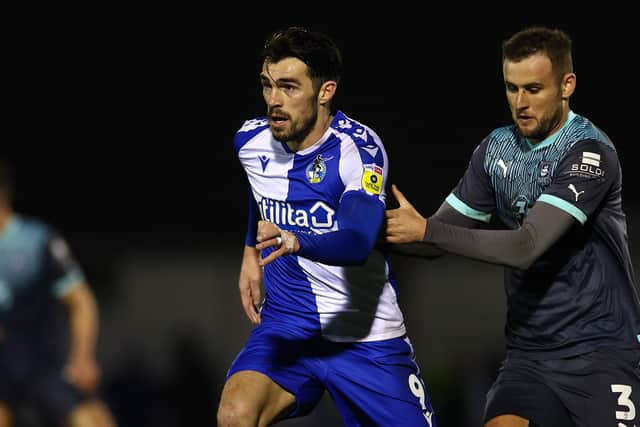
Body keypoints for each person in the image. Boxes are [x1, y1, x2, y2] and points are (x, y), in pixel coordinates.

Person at [384, 25, 640, 427]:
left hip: (601, 352)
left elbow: (527, 245)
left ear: (566, 85)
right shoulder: (495, 151)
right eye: (511, 88)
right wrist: (359, 230)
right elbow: (432, 240)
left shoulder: (589, 153)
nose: (520, 102)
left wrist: (428, 232)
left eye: (534, 89)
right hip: (529, 356)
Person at [216, 26, 437, 427]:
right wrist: (250, 252)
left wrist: (296, 240)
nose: (274, 101)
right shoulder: (250, 142)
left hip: (363, 336)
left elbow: (357, 240)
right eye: (267, 86)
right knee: (235, 414)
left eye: (288, 87)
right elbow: (259, 191)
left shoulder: (358, 151)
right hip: (288, 325)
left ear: (325, 91)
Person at [0, 159, 118, 427]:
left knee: (90, 421)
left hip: (44, 360)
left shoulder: (35, 240)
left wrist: (82, 356)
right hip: (2, 365)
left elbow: (82, 302)